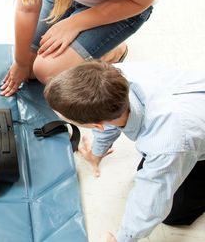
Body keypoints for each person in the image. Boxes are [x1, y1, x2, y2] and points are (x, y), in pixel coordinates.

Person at [43, 61, 205, 242]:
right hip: (191, 112)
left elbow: (149, 204)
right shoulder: (113, 76)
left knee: (174, 214)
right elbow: (109, 119)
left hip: (187, 133)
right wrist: (97, 153)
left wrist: (123, 239)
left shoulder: (166, 144)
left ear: (96, 125)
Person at [0, 0, 159, 97]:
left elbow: (141, 1)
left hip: (120, 6)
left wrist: (75, 23)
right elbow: (27, 8)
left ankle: (112, 52)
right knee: (28, 65)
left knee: (46, 71)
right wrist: (21, 64)